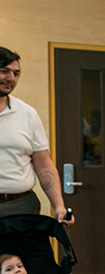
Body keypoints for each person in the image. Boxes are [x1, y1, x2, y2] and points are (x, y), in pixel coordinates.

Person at [0, 48, 74, 223]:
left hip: (21, 206)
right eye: (4, 71)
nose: (11, 78)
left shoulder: (27, 114)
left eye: (16, 73)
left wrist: (59, 206)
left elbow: (43, 164)